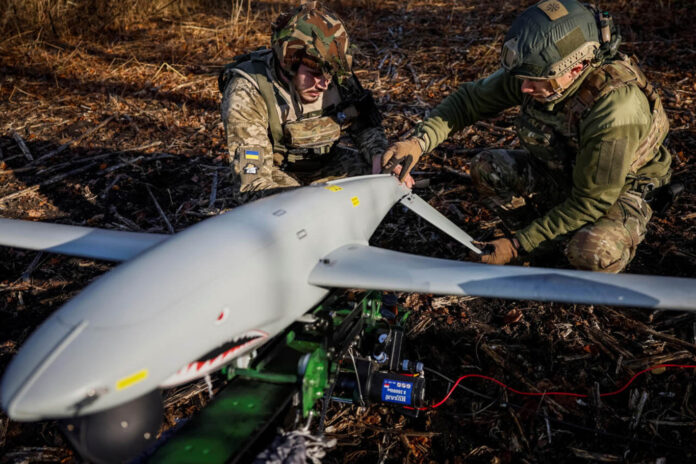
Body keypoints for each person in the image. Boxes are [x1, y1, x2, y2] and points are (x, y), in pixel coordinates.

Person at [381, 0, 672, 273]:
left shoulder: (615, 108)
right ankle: (543, 242)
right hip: (566, 173)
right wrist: (418, 143)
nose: (524, 89)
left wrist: (517, 247)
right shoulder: (539, 73)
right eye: (524, 79)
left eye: (535, 81)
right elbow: (469, 102)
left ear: (577, 68)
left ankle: (540, 243)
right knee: (488, 168)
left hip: (617, 192)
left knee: (592, 252)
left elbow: (591, 201)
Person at [219, 1, 387, 195]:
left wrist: (379, 157)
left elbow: (366, 127)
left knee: (384, 182)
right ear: (289, 62)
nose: (324, 84)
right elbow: (254, 184)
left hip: (326, 163)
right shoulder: (248, 91)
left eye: (330, 74)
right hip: (274, 171)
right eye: (315, 74)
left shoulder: (338, 77)